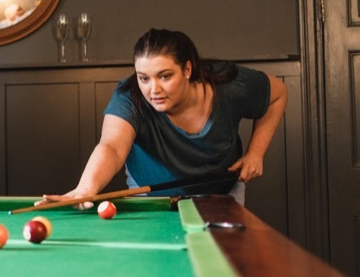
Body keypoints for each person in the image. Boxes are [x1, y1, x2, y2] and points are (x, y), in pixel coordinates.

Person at [43, 28, 287, 206]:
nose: (153, 89)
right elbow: (112, 147)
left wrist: (256, 153)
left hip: (221, 193)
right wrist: (86, 188)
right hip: (151, 197)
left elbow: (278, 95)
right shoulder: (130, 97)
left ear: (188, 70)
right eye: (144, 77)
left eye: (165, 76)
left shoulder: (230, 85)